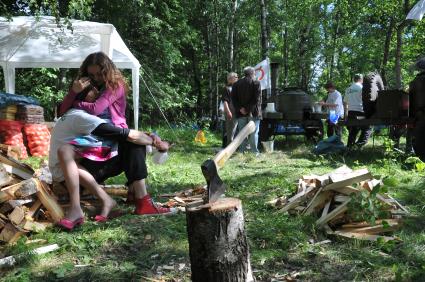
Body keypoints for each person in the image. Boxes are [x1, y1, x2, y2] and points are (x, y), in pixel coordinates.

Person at [51, 52, 174, 230]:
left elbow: (96, 109)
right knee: (68, 150)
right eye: (91, 75)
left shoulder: (115, 85)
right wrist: (74, 93)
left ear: (107, 70)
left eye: (99, 74)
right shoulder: (89, 90)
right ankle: (132, 197)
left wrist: (76, 102)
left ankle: (141, 198)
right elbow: (63, 111)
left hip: (111, 135)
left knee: (131, 142)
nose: (96, 79)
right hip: (96, 139)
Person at [231, 66, 262, 154]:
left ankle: (242, 151)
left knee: (241, 133)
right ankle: (254, 153)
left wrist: (241, 109)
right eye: (254, 73)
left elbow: (233, 99)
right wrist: (248, 109)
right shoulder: (256, 82)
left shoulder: (236, 84)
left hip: (241, 113)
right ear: (252, 73)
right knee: (253, 133)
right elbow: (256, 99)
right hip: (253, 112)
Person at [344, 74, 372, 148]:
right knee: (368, 126)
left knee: (353, 129)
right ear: (361, 79)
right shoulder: (362, 88)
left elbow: (345, 103)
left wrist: (345, 115)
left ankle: (349, 147)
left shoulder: (348, 89)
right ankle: (359, 144)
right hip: (360, 114)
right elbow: (367, 101)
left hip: (350, 113)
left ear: (354, 79)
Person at [221, 72, 239, 146]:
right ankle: (229, 148)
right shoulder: (226, 88)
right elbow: (225, 101)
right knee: (230, 132)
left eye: (237, 77)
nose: (237, 78)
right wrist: (228, 111)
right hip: (231, 112)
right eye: (236, 77)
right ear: (230, 79)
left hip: (239, 112)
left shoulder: (238, 87)